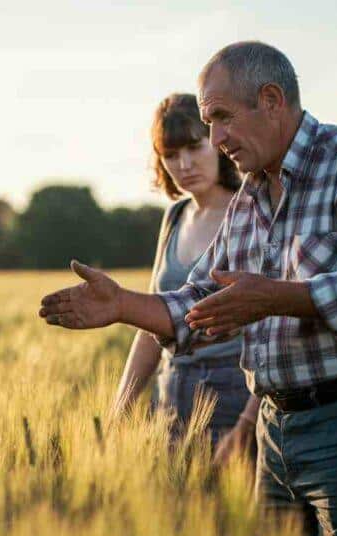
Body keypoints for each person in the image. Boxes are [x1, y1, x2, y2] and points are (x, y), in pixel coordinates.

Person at [38, 41, 337, 536]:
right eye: (209, 123)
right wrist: (122, 305)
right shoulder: (250, 195)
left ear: (271, 100)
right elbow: (201, 299)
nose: (215, 137)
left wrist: (273, 298)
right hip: (278, 430)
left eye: (221, 117)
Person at [110, 92, 257, 462]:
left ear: (219, 140)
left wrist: (248, 424)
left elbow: (277, 333)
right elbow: (150, 321)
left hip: (234, 396)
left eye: (194, 146)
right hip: (170, 397)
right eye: (170, 155)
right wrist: (120, 408)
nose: (185, 164)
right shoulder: (174, 217)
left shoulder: (254, 210)